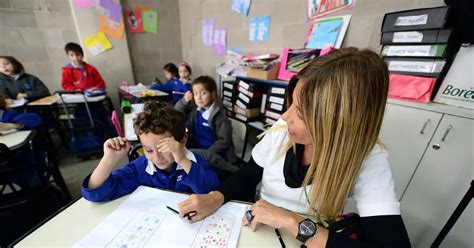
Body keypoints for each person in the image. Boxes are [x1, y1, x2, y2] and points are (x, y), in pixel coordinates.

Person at [177, 48, 411, 247]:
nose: (285, 116)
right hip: (259, 228)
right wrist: (216, 197)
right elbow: (248, 175)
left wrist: (294, 221)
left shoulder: (368, 157)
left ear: (338, 123)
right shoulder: (283, 128)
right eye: (291, 104)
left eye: (300, 112)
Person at [81, 101, 220, 202]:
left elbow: (211, 193)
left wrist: (182, 160)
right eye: (148, 150)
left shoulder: (196, 163)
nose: (157, 157)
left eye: (163, 148)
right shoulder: (140, 168)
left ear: (182, 141)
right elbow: (95, 194)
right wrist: (108, 160)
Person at [175, 75, 238, 165]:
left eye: (203, 93)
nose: (198, 98)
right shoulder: (195, 110)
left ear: (212, 94)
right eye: (195, 93)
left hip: (215, 156)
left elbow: (224, 142)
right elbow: (177, 113)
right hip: (197, 150)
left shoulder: (220, 118)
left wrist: (206, 155)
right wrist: (185, 100)